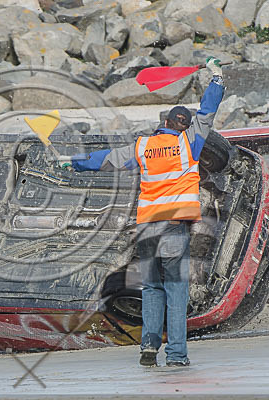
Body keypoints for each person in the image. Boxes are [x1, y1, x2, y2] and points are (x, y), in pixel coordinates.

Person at [65, 57, 225, 367]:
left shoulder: (142, 147)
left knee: (152, 287)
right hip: (175, 229)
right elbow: (207, 112)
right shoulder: (188, 144)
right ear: (183, 126)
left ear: (164, 123)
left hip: (147, 228)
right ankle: (176, 355)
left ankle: (148, 347)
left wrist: (72, 161)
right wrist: (217, 79)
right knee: (176, 291)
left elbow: (106, 159)